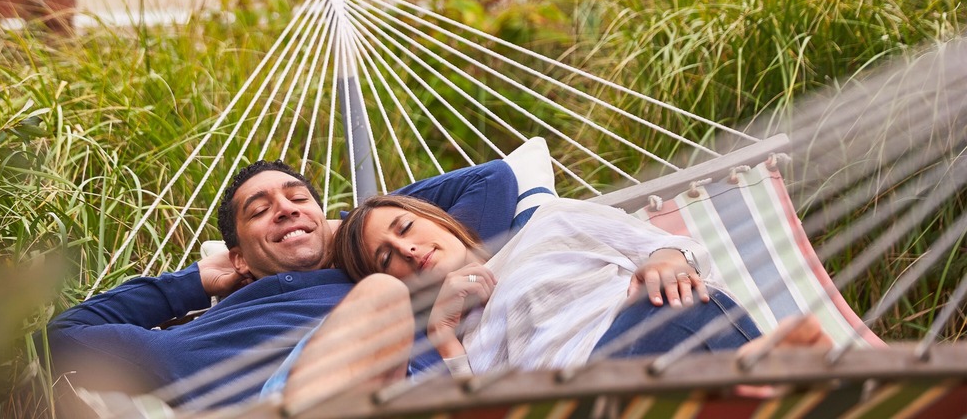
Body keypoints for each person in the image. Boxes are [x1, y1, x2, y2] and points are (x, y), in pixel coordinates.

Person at [41, 158, 520, 411]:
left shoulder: (390, 272)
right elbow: (62, 336)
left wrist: (349, 228)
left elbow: (491, 180)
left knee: (382, 295)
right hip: (273, 401)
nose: (287, 209)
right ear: (238, 257)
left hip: (408, 399)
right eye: (260, 210)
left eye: (299, 199)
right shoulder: (187, 344)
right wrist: (196, 280)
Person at [330, 192, 830, 377]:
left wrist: (667, 261)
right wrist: (443, 337)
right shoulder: (456, 338)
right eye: (387, 259)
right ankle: (774, 380)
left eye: (405, 227)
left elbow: (672, 248)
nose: (408, 250)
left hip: (651, 326)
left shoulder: (549, 222)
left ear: (436, 218)